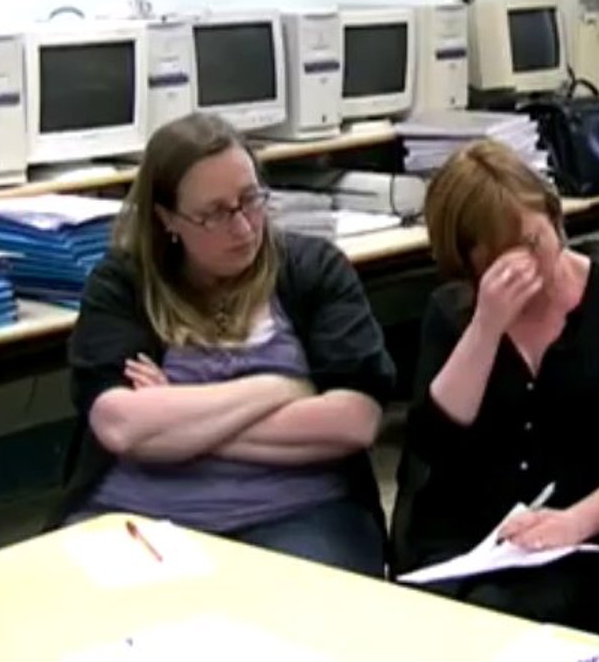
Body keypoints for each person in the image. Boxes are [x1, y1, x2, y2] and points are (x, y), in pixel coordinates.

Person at [61, 113, 395, 577]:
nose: (242, 228)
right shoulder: (124, 282)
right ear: (166, 219)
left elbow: (353, 422)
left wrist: (176, 419)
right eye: (215, 213)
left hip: (297, 511)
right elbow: (121, 427)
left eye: (250, 200)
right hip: (137, 510)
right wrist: (281, 389)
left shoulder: (313, 269)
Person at [391, 140, 599, 635]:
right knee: (432, 620)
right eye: (499, 258)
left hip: (591, 533)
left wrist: (577, 521)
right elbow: (433, 444)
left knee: (514, 617)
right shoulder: (453, 311)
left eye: (532, 243)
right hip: (473, 536)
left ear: (555, 219)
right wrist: (486, 326)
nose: (525, 267)